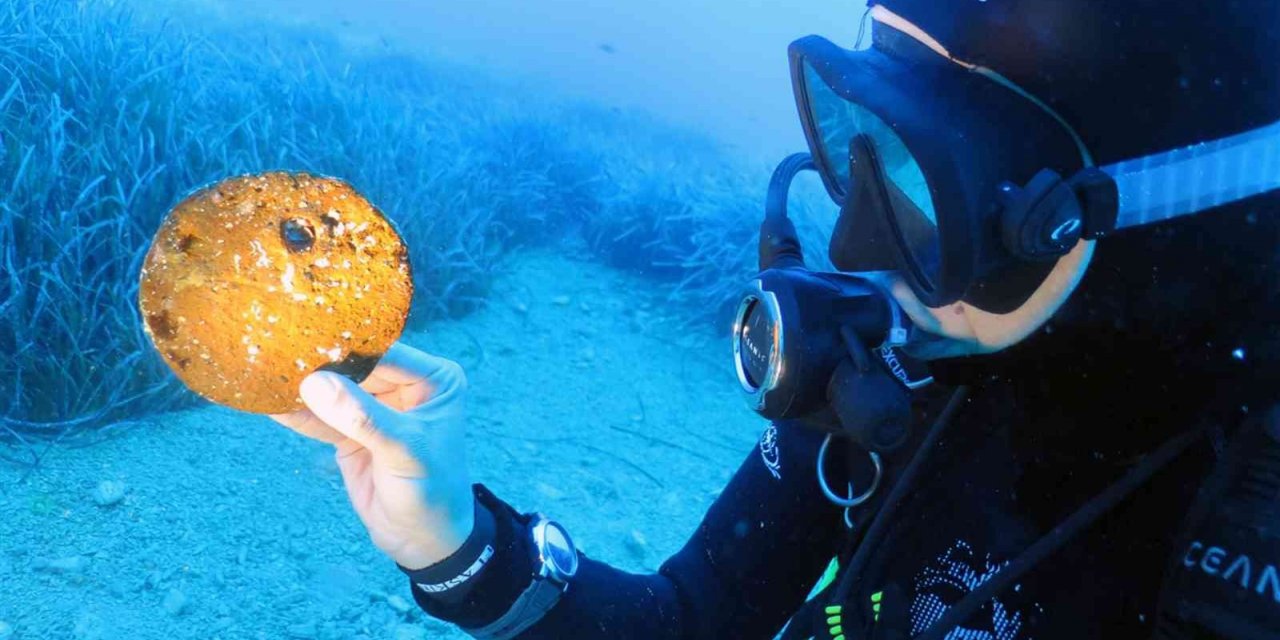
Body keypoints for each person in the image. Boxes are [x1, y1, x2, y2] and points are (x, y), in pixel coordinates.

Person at [272, 1, 1280, 638]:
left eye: (940, 186)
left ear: (1129, 219)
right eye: (863, 143)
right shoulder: (910, 367)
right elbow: (693, 618)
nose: (851, 247)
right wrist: (455, 544)